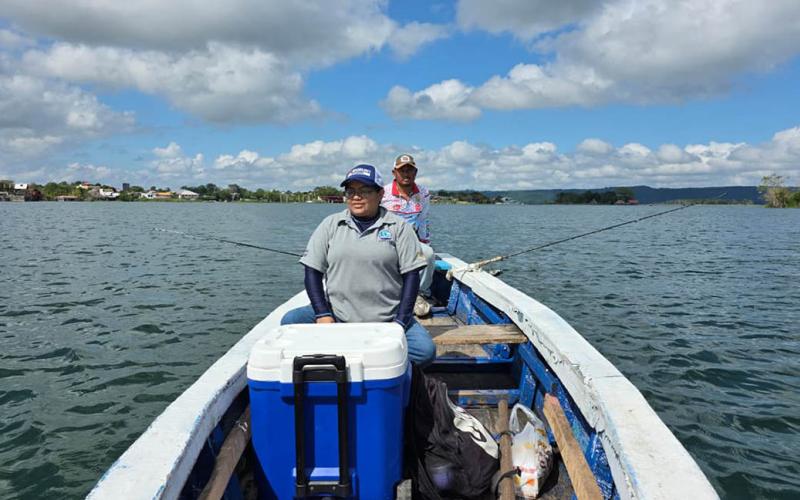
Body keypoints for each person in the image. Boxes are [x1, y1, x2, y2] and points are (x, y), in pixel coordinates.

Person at [281, 164, 436, 366]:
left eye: (365, 191)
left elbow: (412, 277)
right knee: (289, 323)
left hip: (387, 317)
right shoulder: (330, 224)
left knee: (425, 352)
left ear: (380, 194)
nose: (356, 197)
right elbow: (312, 270)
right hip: (337, 313)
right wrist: (322, 313)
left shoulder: (399, 227)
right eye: (351, 191)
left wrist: (400, 322)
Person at [381, 154, 435, 317]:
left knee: (428, 255)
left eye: (410, 170)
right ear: (394, 173)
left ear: (415, 172)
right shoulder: (383, 193)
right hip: (385, 238)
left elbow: (423, 220)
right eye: (402, 170)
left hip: (411, 240)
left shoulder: (424, 193)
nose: (406, 174)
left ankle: (419, 294)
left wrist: (425, 242)